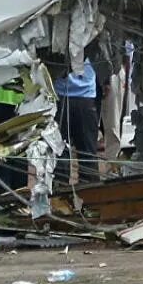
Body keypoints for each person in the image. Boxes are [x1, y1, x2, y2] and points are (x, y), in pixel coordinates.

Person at [57, 45, 99, 183]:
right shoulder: (89, 30)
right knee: (85, 152)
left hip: (66, 96)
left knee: (60, 150)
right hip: (79, 97)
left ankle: (62, 193)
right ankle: (87, 193)